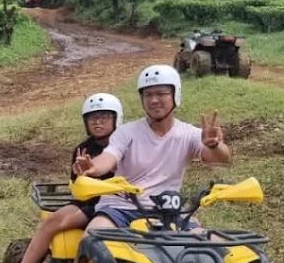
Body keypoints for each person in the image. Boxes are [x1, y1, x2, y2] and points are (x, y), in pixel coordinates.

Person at [0, 92, 123, 263]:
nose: (98, 122)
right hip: (90, 204)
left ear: (117, 118)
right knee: (52, 222)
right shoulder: (83, 149)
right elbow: (77, 185)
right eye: (92, 118)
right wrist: (83, 174)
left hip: (123, 204)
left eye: (104, 117)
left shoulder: (127, 143)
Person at [74, 65, 230, 232]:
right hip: (120, 208)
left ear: (175, 95)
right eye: (148, 94)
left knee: (210, 246)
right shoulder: (127, 131)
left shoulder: (189, 133)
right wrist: (93, 167)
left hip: (167, 211)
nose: (153, 100)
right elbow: (109, 156)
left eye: (161, 93)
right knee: (93, 238)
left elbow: (221, 157)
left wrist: (214, 145)